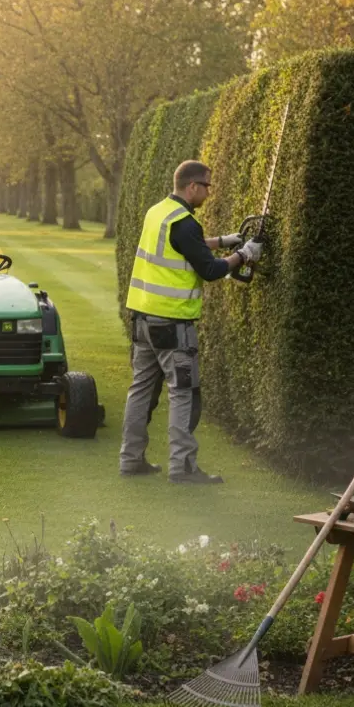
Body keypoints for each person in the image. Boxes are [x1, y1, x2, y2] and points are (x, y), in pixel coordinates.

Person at [119, 160, 261, 484]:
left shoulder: (159, 212)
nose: (209, 193)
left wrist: (223, 241)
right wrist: (245, 255)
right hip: (172, 325)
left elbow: (185, 247)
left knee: (140, 391)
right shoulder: (184, 222)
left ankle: (130, 459)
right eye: (207, 186)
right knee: (183, 393)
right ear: (192, 186)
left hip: (142, 319)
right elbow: (210, 270)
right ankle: (182, 468)